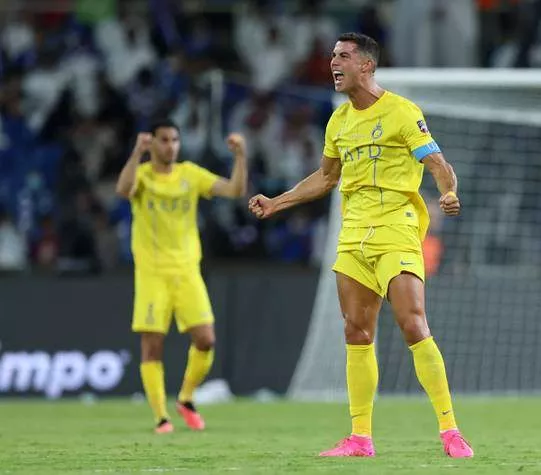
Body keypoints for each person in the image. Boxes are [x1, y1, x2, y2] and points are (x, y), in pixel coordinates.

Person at [249, 33, 473, 458]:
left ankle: (450, 431)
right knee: (356, 331)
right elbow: (327, 177)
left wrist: (448, 192)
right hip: (353, 235)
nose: (334, 62)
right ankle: (360, 438)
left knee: (412, 322)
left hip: (396, 229)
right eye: (333, 55)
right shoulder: (338, 121)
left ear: (367, 66)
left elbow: (437, 163)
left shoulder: (403, 112)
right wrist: (277, 201)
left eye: (344, 56)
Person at [116, 119, 248, 434]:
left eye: (174, 140)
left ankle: (186, 398)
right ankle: (161, 417)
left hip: (187, 271)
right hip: (152, 273)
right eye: (164, 140)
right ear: (153, 144)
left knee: (206, 339)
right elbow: (123, 190)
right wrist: (136, 152)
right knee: (152, 345)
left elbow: (234, 189)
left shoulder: (190, 174)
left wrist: (241, 156)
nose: (171, 146)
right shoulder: (143, 176)